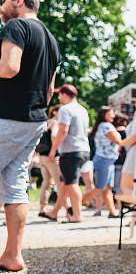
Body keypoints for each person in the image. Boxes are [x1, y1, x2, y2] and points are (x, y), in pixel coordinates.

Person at [0, 0, 60, 271]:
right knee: (14, 185)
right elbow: (50, 90)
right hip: (35, 120)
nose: (1, 8)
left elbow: (9, 68)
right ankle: (12, 255)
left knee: (14, 184)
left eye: (3, 1)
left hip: (7, 117)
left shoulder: (16, 27)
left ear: (18, 0)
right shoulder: (51, 40)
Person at [43, 84, 89, 223]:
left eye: (59, 94)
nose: (58, 97)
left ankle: (77, 215)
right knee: (64, 183)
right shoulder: (83, 110)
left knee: (71, 183)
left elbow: (63, 130)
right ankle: (54, 212)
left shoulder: (65, 109)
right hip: (84, 150)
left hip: (71, 151)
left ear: (65, 94)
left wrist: (53, 150)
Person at [83, 106, 120, 217]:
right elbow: (118, 141)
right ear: (104, 114)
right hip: (105, 160)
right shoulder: (106, 126)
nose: (113, 115)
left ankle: (112, 212)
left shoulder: (101, 126)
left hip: (106, 160)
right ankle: (76, 204)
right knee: (100, 187)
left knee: (107, 188)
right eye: (111, 113)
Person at [35, 106, 61, 216]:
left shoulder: (47, 122)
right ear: (55, 112)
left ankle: (42, 209)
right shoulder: (55, 123)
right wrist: (54, 151)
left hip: (42, 156)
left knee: (47, 183)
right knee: (60, 183)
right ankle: (69, 210)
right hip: (51, 156)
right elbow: (54, 135)